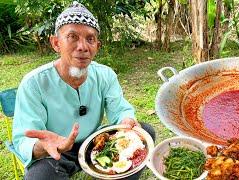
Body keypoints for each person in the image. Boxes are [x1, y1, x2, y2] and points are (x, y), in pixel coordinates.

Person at [12, 1, 155, 179]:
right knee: (39, 176)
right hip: (57, 153)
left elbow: (119, 109)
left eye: (90, 39)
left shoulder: (105, 75)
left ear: (97, 46)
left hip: (96, 143)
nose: (82, 47)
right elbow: (23, 140)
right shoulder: (34, 84)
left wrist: (127, 120)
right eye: (72, 37)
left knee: (145, 133)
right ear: (56, 43)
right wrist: (42, 145)